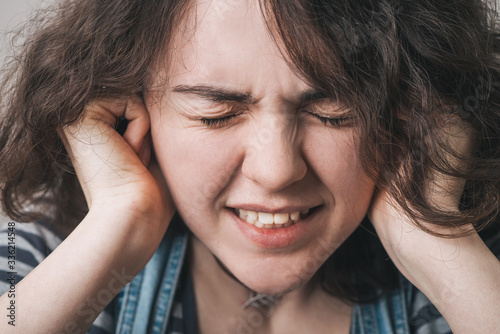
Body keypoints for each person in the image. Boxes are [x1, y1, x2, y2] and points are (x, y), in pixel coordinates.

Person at [0, 0, 499, 333]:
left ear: (406, 111)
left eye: (334, 113)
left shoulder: (476, 265)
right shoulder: (49, 243)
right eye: (217, 114)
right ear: (132, 108)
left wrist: (434, 238)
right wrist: (119, 226)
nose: (277, 170)